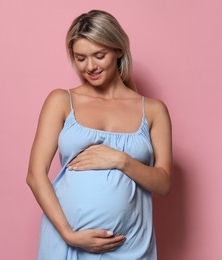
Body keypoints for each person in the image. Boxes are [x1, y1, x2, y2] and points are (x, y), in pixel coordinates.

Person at [26, 9, 172, 260]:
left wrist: (121, 160)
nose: (90, 67)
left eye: (99, 55)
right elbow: (35, 176)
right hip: (66, 243)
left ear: (118, 50)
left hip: (131, 245)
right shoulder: (61, 101)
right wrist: (69, 234)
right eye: (80, 58)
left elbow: (164, 183)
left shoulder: (153, 110)